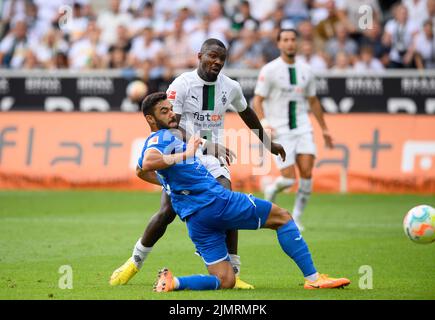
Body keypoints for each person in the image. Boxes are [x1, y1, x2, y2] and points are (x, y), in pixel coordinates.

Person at [110, 38, 286, 289]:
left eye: (221, 58)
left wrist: (268, 143)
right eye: (212, 56)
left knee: (228, 200)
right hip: (184, 153)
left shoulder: (231, 87)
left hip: (215, 156)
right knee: (166, 212)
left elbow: (247, 113)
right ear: (199, 56)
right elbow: (173, 125)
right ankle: (134, 262)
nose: (216, 62)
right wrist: (203, 144)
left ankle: (233, 272)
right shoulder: (182, 84)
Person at [138, 92, 350, 292]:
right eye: (164, 111)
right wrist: (187, 153)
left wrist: (168, 184)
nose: (172, 113)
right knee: (283, 218)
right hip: (218, 203)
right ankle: (313, 280)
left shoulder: (158, 140)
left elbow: (140, 170)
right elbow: (148, 162)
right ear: (150, 119)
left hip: (196, 220)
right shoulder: (163, 137)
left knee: (225, 280)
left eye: (170, 108)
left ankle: (173, 282)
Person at [253, 29, 333, 231]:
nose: (290, 43)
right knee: (288, 179)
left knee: (307, 173)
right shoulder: (269, 70)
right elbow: (257, 100)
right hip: (280, 131)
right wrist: (264, 123)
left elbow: (313, 101)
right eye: (285, 40)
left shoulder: (306, 70)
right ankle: (272, 188)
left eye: (293, 40)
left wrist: (324, 128)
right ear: (279, 44)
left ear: (297, 43)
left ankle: (296, 217)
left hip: (303, 129)